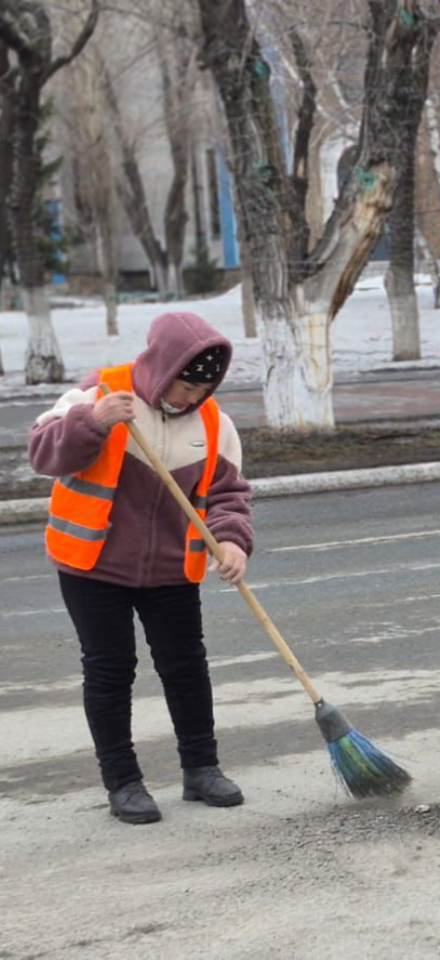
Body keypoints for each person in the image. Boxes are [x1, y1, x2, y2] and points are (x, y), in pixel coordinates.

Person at [28, 312, 253, 825]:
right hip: (93, 564)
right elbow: (42, 453)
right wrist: (93, 423)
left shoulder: (214, 422)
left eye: (202, 388)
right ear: (162, 365)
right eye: (185, 384)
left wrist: (232, 540)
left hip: (172, 568)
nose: (191, 398)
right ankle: (124, 783)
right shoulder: (102, 392)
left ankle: (202, 769)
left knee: (185, 667)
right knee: (110, 671)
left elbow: (229, 495)